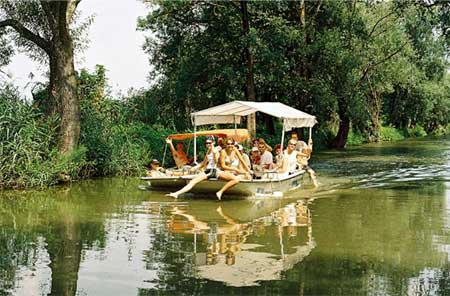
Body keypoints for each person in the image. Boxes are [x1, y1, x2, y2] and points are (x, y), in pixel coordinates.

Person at [167, 136, 242, 200]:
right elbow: (203, 164)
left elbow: (216, 161)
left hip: (214, 171)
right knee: (192, 182)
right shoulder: (208, 151)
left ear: (213, 143)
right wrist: (195, 168)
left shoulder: (216, 150)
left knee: (235, 179)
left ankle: (220, 192)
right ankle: (176, 194)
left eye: (209, 143)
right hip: (208, 171)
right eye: (206, 143)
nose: (208, 144)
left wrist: (214, 152)